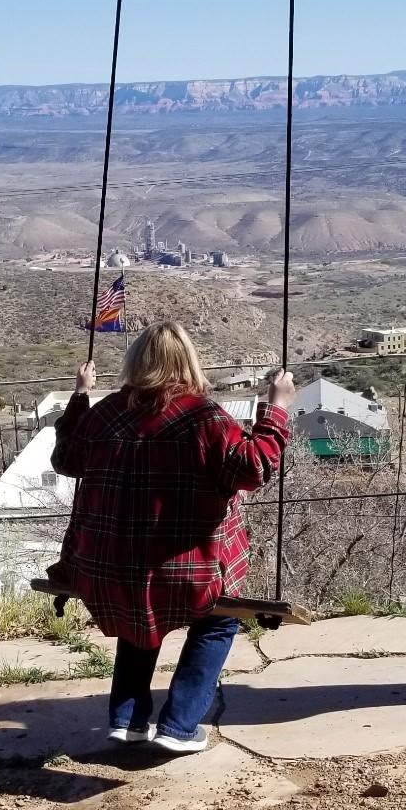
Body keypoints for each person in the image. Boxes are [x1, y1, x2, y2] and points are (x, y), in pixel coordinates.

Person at [49, 321, 294, 752]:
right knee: (219, 619)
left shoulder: (105, 414)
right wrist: (275, 408)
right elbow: (254, 467)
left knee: (139, 616)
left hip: (110, 570)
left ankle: (127, 720)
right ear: (188, 361)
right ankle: (179, 725)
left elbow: (66, 459)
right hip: (186, 570)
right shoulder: (204, 418)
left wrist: (81, 396)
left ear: (135, 362)